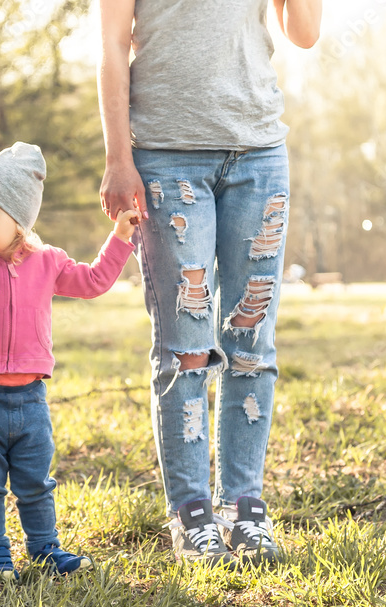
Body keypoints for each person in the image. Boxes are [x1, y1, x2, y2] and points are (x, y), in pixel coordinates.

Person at [98, 1, 322, 567]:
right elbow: (111, 48)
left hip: (258, 155)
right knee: (186, 349)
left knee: (252, 341)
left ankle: (244, 507)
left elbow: (305, 33)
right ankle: (192, 513)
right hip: (165, 160)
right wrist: (118, 157)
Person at [0, 142, 139, 580]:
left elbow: (94, 281)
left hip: (30, 400)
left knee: (35, 484)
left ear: (19, 220)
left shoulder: (48, 263)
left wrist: (119, 239)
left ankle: (45, 550)